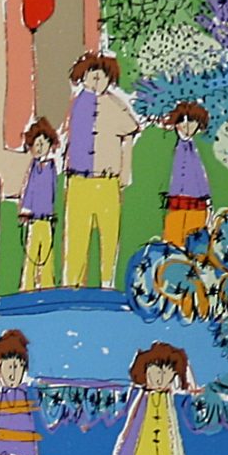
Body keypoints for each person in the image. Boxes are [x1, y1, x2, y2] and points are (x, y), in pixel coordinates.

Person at [62, 55, 141, 290]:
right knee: (76, 237)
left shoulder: (114, 105)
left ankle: (107, 284)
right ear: (83, 77)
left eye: (103, 76)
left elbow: (131, 131)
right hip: (79, 180)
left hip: (106, 181)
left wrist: (125, 170)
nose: (97, 80)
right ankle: (72, 285)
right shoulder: (77, 103)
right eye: (92, 75)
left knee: (108, 236)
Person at [15, 118, 62, 292]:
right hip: (34, 219)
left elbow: (54, 192)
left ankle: (47, 285)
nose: (39, 148)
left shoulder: (51, 168)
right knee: (32, 252)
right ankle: (27, 286)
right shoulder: (34, 168)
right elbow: (29, 190)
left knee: (47, 254)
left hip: (47, 218)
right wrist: (25, 211)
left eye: (42, 143)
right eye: (36, 144)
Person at [158, 101, 213, 249]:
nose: (187, 126)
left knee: (195, 242)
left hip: (197, 202)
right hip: (175, 202)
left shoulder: (201, 147)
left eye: (192, 121)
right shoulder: (168, 145)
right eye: (182, 121)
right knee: (172, 241)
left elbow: (203, 175)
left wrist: (208, 200)